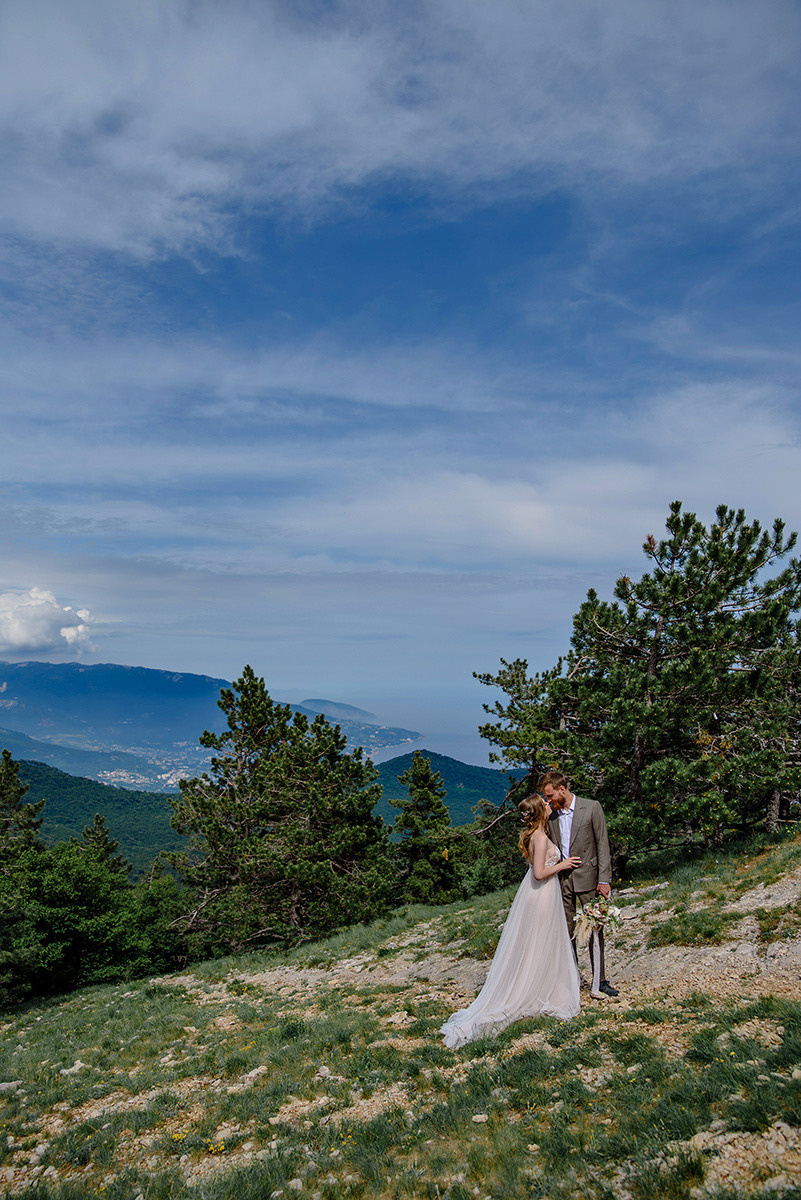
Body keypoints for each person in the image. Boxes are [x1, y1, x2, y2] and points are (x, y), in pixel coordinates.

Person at [440, 794, 581, 1048]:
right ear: (539, 812)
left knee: (538, 942)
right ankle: (533, 991)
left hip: (539, 894)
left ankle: (543, 985)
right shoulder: (539, 838)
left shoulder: (536, 835)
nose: (550, 805)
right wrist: (563, 865)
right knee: (540, 941)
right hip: (542, 894)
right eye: (546, 804)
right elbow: (539, 874)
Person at [540, 771, 619, 998]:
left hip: (589, 878)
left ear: (562, 789)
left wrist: (604, 880)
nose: (548, 800)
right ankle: (571, 979)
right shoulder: (551, 815)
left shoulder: (592, 807)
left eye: (550, 795)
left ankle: (600, 980)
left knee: (595, 929)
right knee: (566, 931)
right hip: (562, 881)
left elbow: (603, 845)